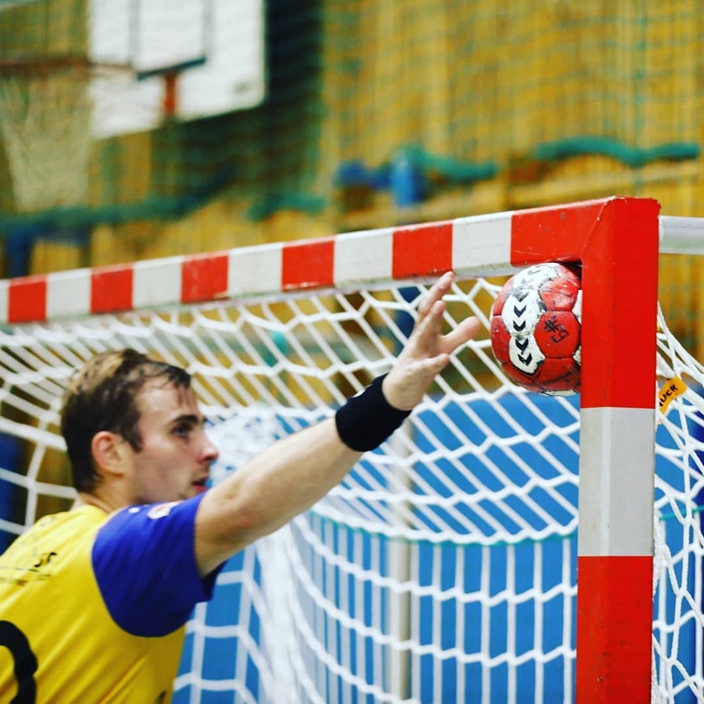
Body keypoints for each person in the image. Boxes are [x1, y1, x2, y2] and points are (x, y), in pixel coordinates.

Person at [0, 272, 479, 703]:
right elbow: (240, 509)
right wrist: (388, 398)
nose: (209, 449)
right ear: (111, 453)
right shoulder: (122, 550)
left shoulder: (36, 544)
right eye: (182, 430)